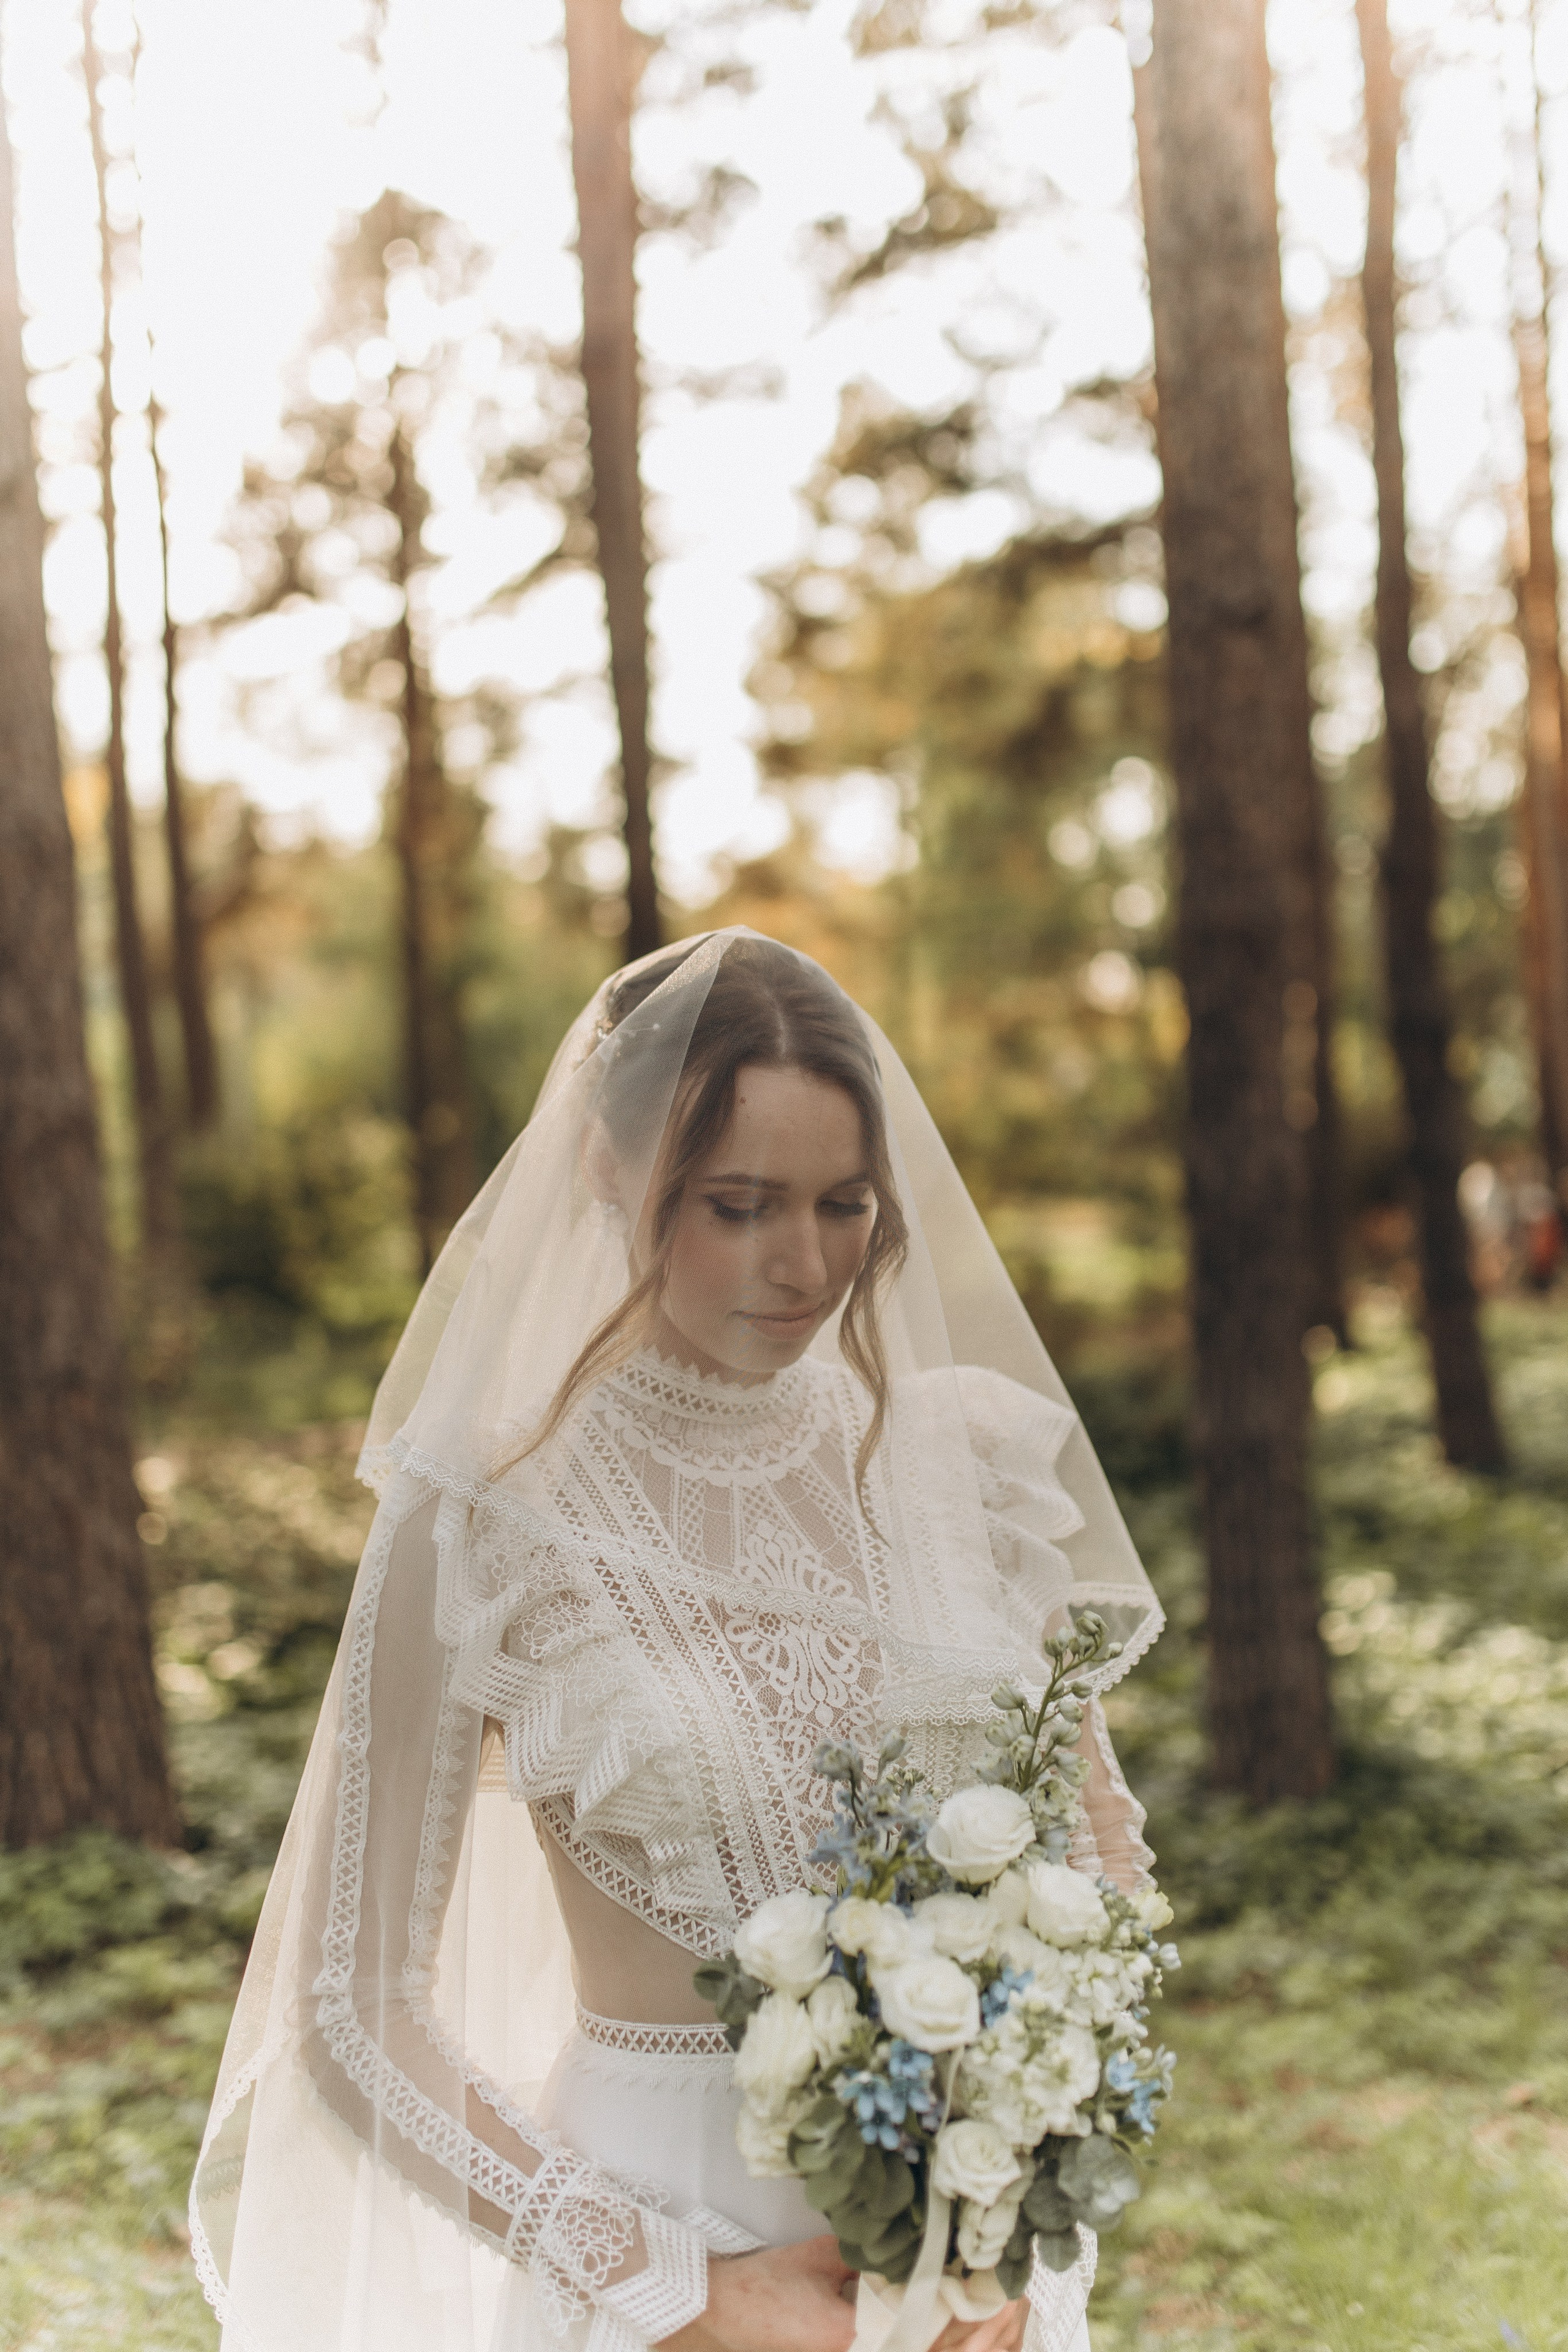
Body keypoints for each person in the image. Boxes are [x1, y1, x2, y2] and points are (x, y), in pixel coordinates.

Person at [190, 930, 1163, 2352]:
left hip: (971, 2278)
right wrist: (669, 2289)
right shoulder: (484, 1505)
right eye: (737, 1204)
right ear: (605, 1166)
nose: (803, 1263)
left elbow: (1104, 1865)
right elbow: (348, 2011)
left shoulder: (954, 1460)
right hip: (653, 2252)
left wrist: (1009, 2201)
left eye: (842, 1204)